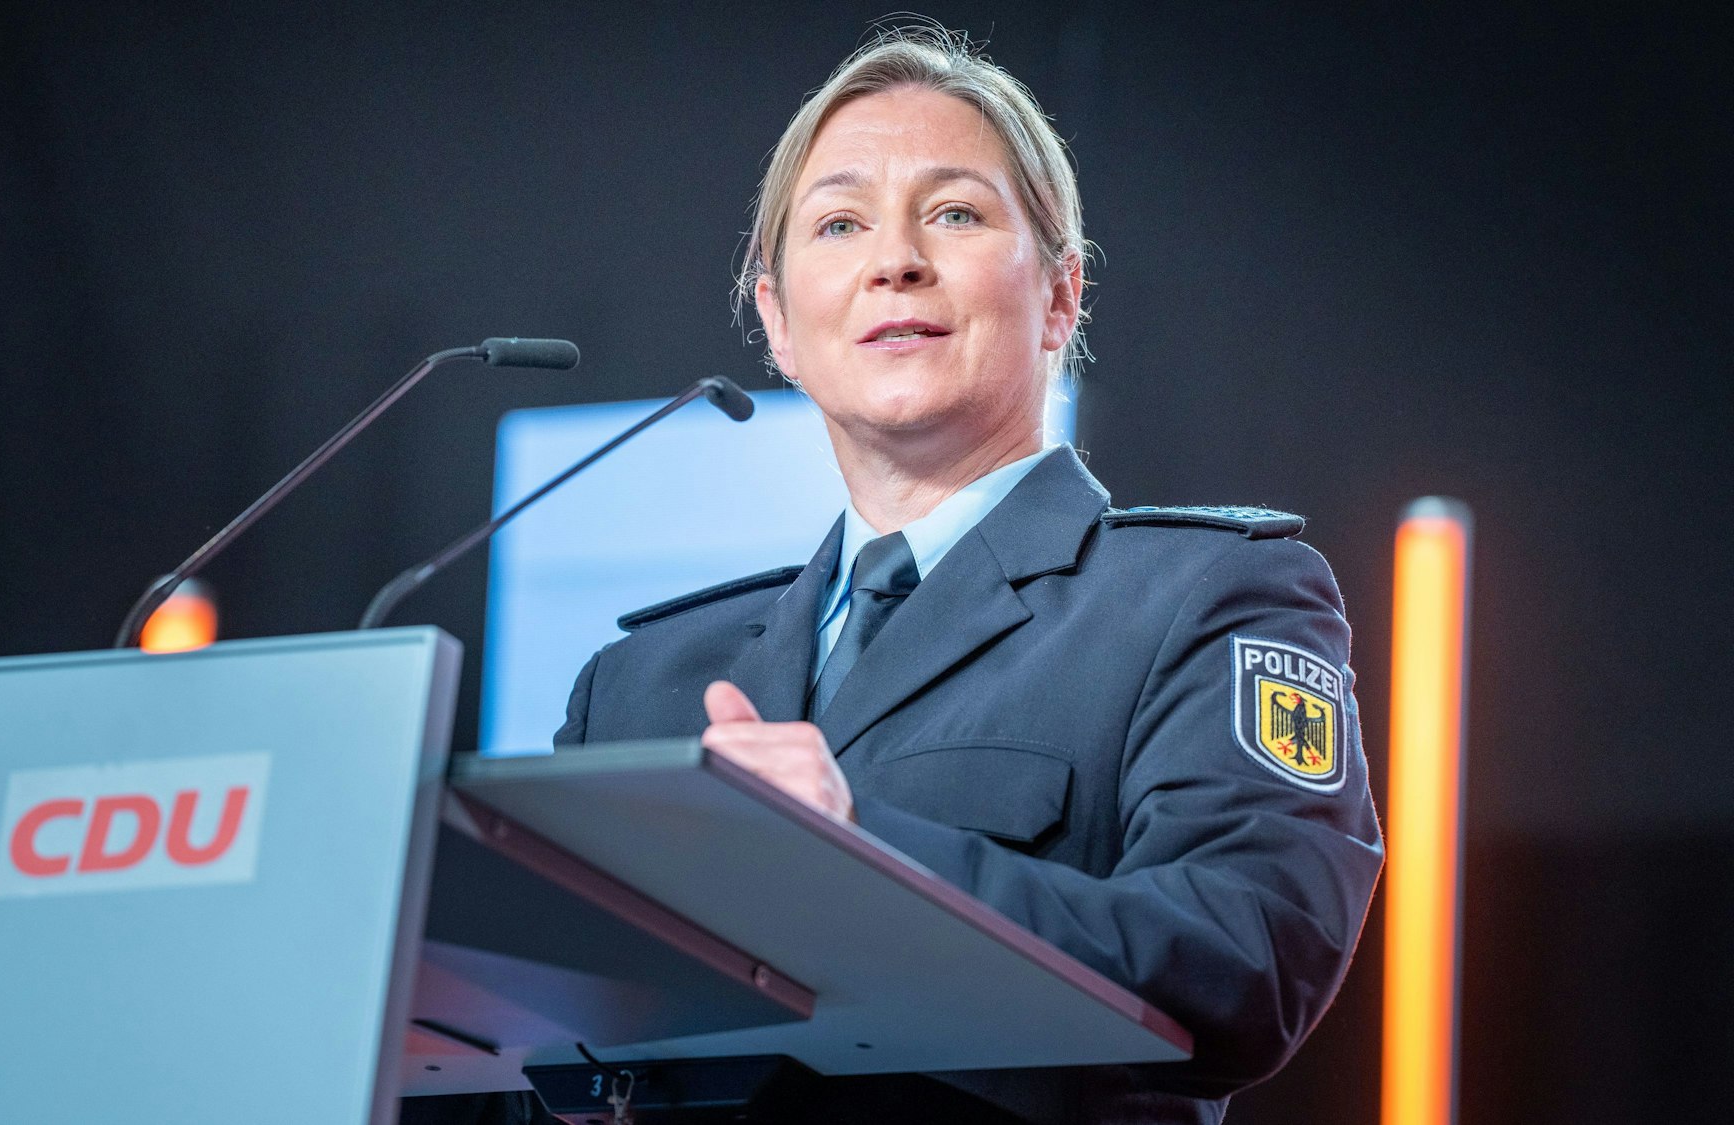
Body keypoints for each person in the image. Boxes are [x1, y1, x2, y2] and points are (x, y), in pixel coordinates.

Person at [548, 25, 1384, 1125]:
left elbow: (1247, 959)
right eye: (839, 224)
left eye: (953, 213)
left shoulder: (1206, 599)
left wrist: (857, 852)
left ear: (1060, 296)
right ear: (778, 322)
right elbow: (524, 1046)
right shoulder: (637, 684)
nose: (894, 259)